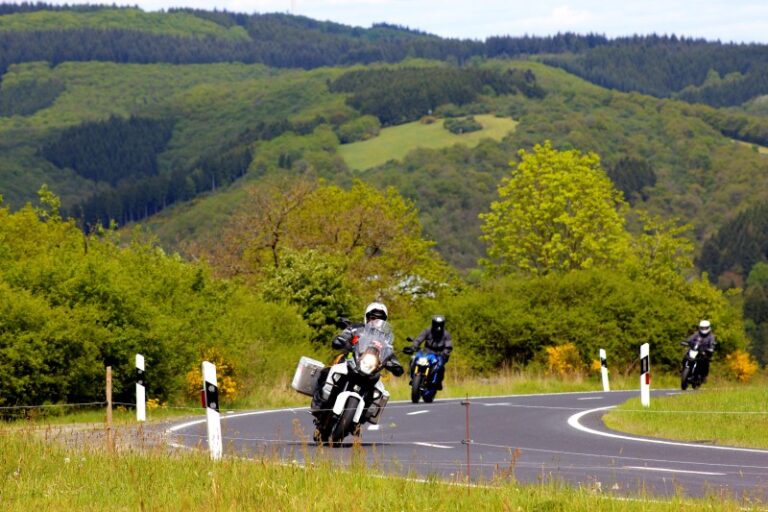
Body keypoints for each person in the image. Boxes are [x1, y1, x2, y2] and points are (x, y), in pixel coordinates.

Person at [311, 302, 403, 417]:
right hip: (350, 361)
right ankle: (318, 402)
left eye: (380, 319)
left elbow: (389, 353)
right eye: (373, 317)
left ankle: (362, 416)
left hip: (371, 369)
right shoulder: (356, 329)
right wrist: (341, 339)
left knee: (379, 392)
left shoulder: (385, 341)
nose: (376, 321)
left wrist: (395, 364)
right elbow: (345, 335)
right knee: (326, 371)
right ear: (367, 317)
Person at [409, 315, 453, 390]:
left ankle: (438, 382)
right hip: (426, 352)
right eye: (436, 324)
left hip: (439, 354)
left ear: (443, 324)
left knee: (440, 366)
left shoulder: (446, 334)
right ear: (433, 323)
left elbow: (448, 345)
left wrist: (445, 352)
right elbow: (419, 339)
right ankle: (413, 378)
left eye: (440, 324)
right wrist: (414, 346)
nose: (438, 326)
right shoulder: (427, 330)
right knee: (414, 359)